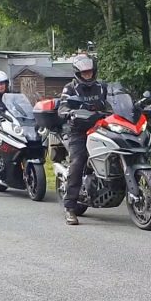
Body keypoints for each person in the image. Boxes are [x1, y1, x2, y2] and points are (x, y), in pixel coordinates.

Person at [57, 54, 108, 225]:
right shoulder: (70, 88)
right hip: (78, 131)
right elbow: (62, 107)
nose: (88, 75)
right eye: (84, 73)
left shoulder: (102, 87)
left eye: (90, 72)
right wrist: (69, 112)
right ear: (78, 73)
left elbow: (116, 100)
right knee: (78, 161)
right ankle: (70, 207)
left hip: (101, 128)